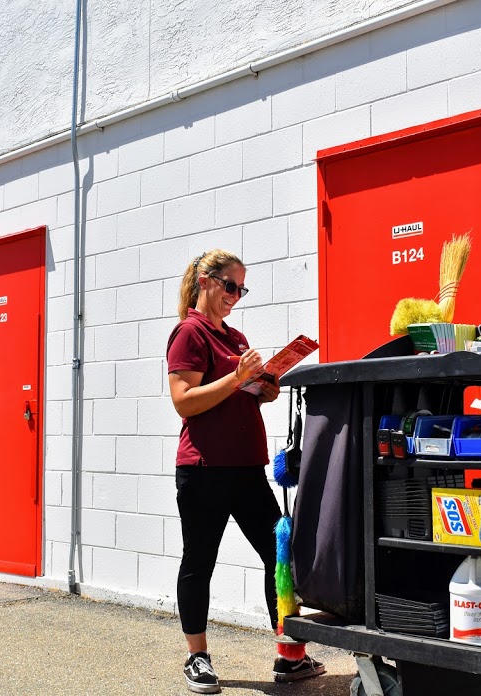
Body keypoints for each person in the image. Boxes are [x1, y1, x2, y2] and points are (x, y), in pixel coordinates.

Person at [167, 250, 326, 694]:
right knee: (200, 562)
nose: (236, 296)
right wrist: (237, 379)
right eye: (230, 286)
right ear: (205, 280)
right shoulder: (188, 333)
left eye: (242, 289)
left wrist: (263, 387)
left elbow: (241, 395)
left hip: (247, 468)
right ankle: (197, 657)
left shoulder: (235, 336)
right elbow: (184, 400)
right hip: (203, 469)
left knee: (280, 555)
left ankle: (289, 657)